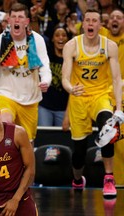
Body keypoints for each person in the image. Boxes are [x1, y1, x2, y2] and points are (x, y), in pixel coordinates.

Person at [61, 9, 124, 197]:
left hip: (101, 95)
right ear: (83, 24)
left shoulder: (110, 46)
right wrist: (71, 89)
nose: (90, 23)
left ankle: (109, 179)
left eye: (94, 20)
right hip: (79, 97)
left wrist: (119, 109)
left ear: (99, 25)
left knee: (108, 128)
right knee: (79, 151)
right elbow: (65, 77)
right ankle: (78, 180)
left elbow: (116, 79)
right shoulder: (72, 46)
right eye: (87, 20)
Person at [0, 3, 51, 145]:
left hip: (30, 99)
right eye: (13, 17)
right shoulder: (0, 42)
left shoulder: (37, 40)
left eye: (20, 17)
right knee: (5, 124)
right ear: (8, 21)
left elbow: (45, 67)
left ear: (26, 21)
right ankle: (2, 164)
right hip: (5, 94)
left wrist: (46, 80)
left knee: (27, 144)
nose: (16, 20)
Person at [38, 26, 69, 126]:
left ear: (68, 39)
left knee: (61, 140)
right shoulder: (46, 54)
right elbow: (36, 38)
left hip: (63, 109)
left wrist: (68, 115)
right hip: (44, 107)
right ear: (52, 39)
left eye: (64, 35)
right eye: (57, 35)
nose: (60, 38)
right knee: (45, 138)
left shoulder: (72, 59)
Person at [106, 8, 124, 186]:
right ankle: (113, 181)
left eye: (119, 17)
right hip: (104, 95)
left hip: (122, 94)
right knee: (111, 139)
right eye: (112, 17)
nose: (115, 20)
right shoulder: (102, 38)